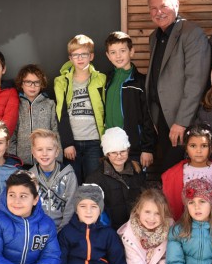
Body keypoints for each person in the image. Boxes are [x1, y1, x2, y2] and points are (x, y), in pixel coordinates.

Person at [145, 0, 211, 177]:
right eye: (153, 8)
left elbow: (196, 81)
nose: (159, 12)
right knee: (170, 176)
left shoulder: (192, 33)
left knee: (182, 175)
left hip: (183, 121)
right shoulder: (154, 37)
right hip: (162, 120)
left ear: (176, 5)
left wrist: (182, 122)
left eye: (164, 6)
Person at [54, 34, 107, 181]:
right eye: (75, 55)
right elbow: (61, 114)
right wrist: (67, 143)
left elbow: (105, 111)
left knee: (93, 182)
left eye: (84, 54)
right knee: (73, 183)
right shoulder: (61, 81)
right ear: (70, 58)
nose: (80, 58)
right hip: (73, 142)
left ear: (91, 56)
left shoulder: (101, 79)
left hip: (94, 141)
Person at [161, 123, 212, 221]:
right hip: (184, 228)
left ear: (211, 148)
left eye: (204, 146)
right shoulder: (171, 176)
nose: (198, 151)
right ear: (186, 148)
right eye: (193, 146)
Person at [103, 32, 155, 168]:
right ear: (108, 56)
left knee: (135, 186)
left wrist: (147, 148)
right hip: (110, 147)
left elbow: (149, 117)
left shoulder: (141, 82)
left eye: (122, 51)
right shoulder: (106, 80)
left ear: (131, 52)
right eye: (113, 52)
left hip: (134, 148)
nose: (118, 56)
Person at [86, 127, 147, 230]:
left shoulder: (136, 171)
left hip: (135, 229)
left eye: (122, 151)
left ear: (128, 150)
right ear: (107, 154)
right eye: (114, 152)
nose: (119, 156)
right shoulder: (95, 178)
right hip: (110, 231)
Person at [27, 128, 77, 231]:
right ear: (33, 153)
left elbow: (71, 207)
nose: (44, 153)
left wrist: (62, 232)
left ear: (57, 152)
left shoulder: (69, 175)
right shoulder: (29, 177)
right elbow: (28, 209)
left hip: (63, 231)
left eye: (49, 149)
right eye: (40, 149)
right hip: (36, 230)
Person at [10, 64, 58, 168]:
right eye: (28, 82)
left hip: (46, 162)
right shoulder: (16, 104)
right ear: (22, 84)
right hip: (22, 163)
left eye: (36, 82)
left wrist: (57, 160)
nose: (32, 86)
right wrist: (13, 160)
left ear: (41, 84)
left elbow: (55, 132)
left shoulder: (50, 104)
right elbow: (12, 134)